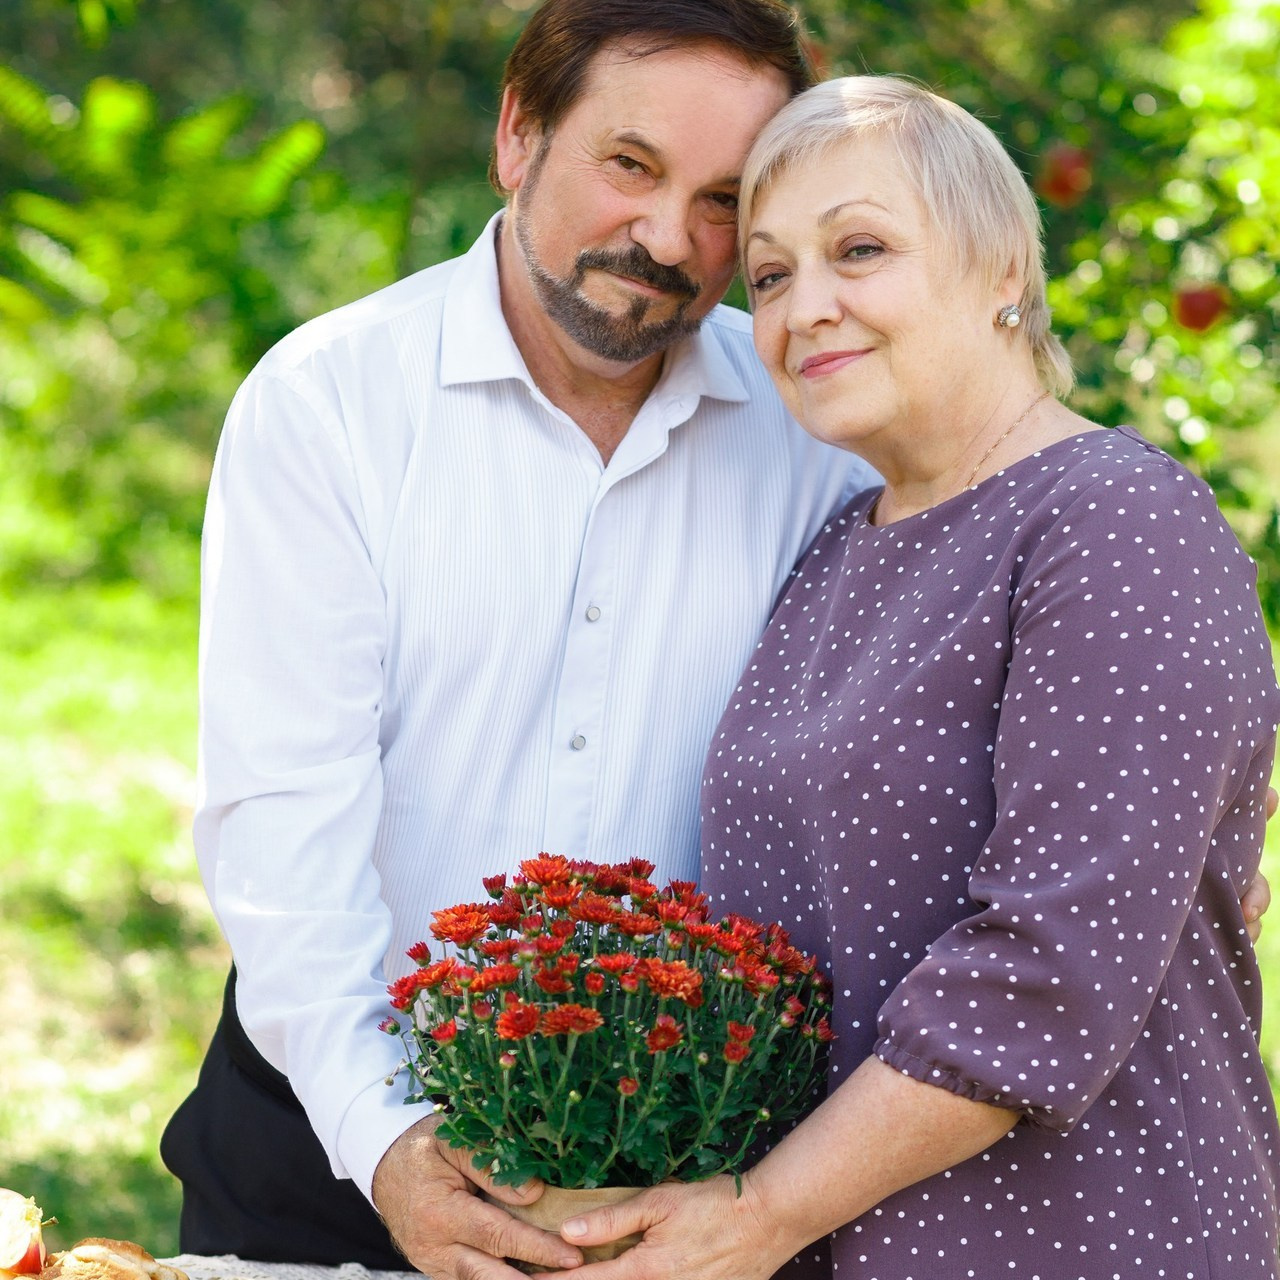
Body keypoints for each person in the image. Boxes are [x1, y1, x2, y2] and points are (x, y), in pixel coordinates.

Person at [159, 4, 875, 1279]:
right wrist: (390, 1146)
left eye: (720, 201)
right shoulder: (326, 406)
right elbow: (282, 832)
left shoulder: (813, 436)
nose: (666, 240)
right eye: (629, 165)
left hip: (688, 1165)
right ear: (516, 135)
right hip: (333, 1130)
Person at [550, 76, 1280, 1280]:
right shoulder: (844, 542)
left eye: (860, 249)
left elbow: (1047, 970)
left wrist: (760, 1210)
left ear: (1002, 270)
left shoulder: (1113, 520)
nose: (804, 308)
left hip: (1077, 1239)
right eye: (772, 276)